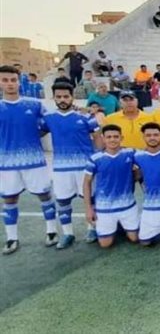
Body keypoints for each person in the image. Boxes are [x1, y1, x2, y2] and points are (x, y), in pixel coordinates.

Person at [0, 65, 57, 255]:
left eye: (13, 80)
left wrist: (34, 136)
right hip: (6, 162)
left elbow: (49, 124)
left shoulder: (34, 104)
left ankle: (51, 232)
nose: (10, 84)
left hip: (34, 159)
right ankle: (12, 238)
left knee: (44, 194)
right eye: (5, 80)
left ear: (19, 82)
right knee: (9, 198)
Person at [42, 82, 101, 248]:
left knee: (90, 199)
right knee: (62, 201)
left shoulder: (85, 117)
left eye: (66, 96)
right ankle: (68, 233)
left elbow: (98, 136)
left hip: (85, 167)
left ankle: (92, 229)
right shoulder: (48, 118)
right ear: (54, 98)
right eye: (59, 97)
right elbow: (35, 133)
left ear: (72, 97)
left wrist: (97, 158)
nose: (62, 100)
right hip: (61, 168)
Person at [83, 125, 139, 248]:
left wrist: (137, 173)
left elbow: (147, 159)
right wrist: (88, 208)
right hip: (105, 207)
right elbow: (87, 182)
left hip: (127, 205)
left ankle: (120, 225)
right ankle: (114, 226)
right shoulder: (95, 158)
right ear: (103, 138)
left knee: (134, 238)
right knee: (105, 244)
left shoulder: (130, 153)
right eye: (109, 137)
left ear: (121, 138)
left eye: (115, 137)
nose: (112, 140)